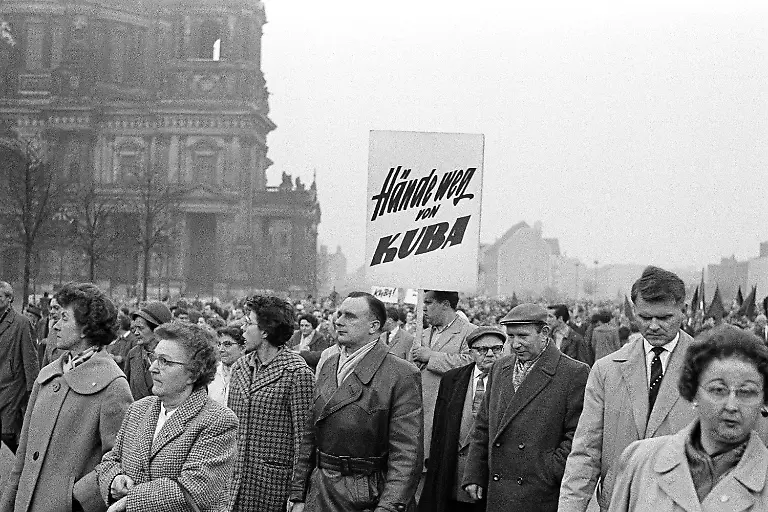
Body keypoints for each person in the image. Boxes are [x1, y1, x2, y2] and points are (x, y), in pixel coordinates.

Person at [559, 266, 698, 512]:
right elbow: (585, 451)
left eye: (664, 318)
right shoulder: (605, 370)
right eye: (644, 318)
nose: (653, 326)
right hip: (618, 503)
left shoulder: (708, 368)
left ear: (683, 311)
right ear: (634, 312)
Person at [0, 282, 133, 512]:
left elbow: (121, 458)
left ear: (86, 328)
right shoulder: (48, 375)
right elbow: (23, 456)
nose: (55, 326)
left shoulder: (113, 385)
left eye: (64, 318)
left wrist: (76, 498)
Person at [288, 292, 424, 512]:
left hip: (366, 496)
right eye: (339, 314)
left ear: (374, 326)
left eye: (349, 316)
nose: (338, 321)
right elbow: (310, 435)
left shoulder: (402, 374)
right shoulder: (330, 363)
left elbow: (407, 454)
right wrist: (298, 493)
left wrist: (388, 507)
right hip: (320, 491)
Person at [608, 325, 768, 511]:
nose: (732, 406)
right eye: (718, 390)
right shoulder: (641, 461)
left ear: (763, 400)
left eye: (747, 392)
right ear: (693, 393)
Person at [95, 322, 238, 512]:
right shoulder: (138, 409)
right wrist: (114, 479)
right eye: (155, 358)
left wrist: (130, 500)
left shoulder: (218, 420)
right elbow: (110, 461)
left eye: (165, 361)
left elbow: (195, 491)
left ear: (193, 374)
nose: (152, 368)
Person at [462, 304, 590, 512]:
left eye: (523, 336)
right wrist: (474, 473)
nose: (515, 344)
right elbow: (483, 426)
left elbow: (578, 436)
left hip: (539, 493)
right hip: (499, 491)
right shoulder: (499, 368)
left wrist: (548, 470)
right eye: (510, 337)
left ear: (545, 333)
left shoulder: (574, 373)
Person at [227, 296, 314, 512]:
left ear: (265, 331)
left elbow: (304, 441)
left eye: (248, 323)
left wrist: (298, 495)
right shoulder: (240, 367)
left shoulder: (297, 373)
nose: (242, 329)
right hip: (233, 484)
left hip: (272, 486)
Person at [420, 326, 507, 512]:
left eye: (496, 349)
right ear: (471, 353)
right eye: (483, 350)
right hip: (453, 475)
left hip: (490, 477)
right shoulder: (453, 379)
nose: (490, 355)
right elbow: (439, 430)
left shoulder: (510, 381)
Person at [411, 290, 476, 472]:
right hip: (419, 411)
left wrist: (431, 357)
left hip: (447, 411)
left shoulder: (469, 332)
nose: (423, 309)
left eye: (429, 303)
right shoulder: (421, 334)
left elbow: (469, 362)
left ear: (445, 304)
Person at [0, 281, 39, 453]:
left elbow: (31, 361)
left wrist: (34, 394)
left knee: (7, 435)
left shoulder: (22, 323)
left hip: (12, 390)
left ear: (9, 299)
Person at [124, 302, 172, 400]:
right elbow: (126, 394)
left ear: (157, 330)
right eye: (135, 328)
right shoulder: (133, 355)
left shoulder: (175, 355)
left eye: (141, 328)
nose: (136, 333)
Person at [207, 326, 245, 406]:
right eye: (219, 344)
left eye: (227, 345)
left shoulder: (248, 375)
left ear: (242, 348)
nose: (221, 349)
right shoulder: (211, 373)